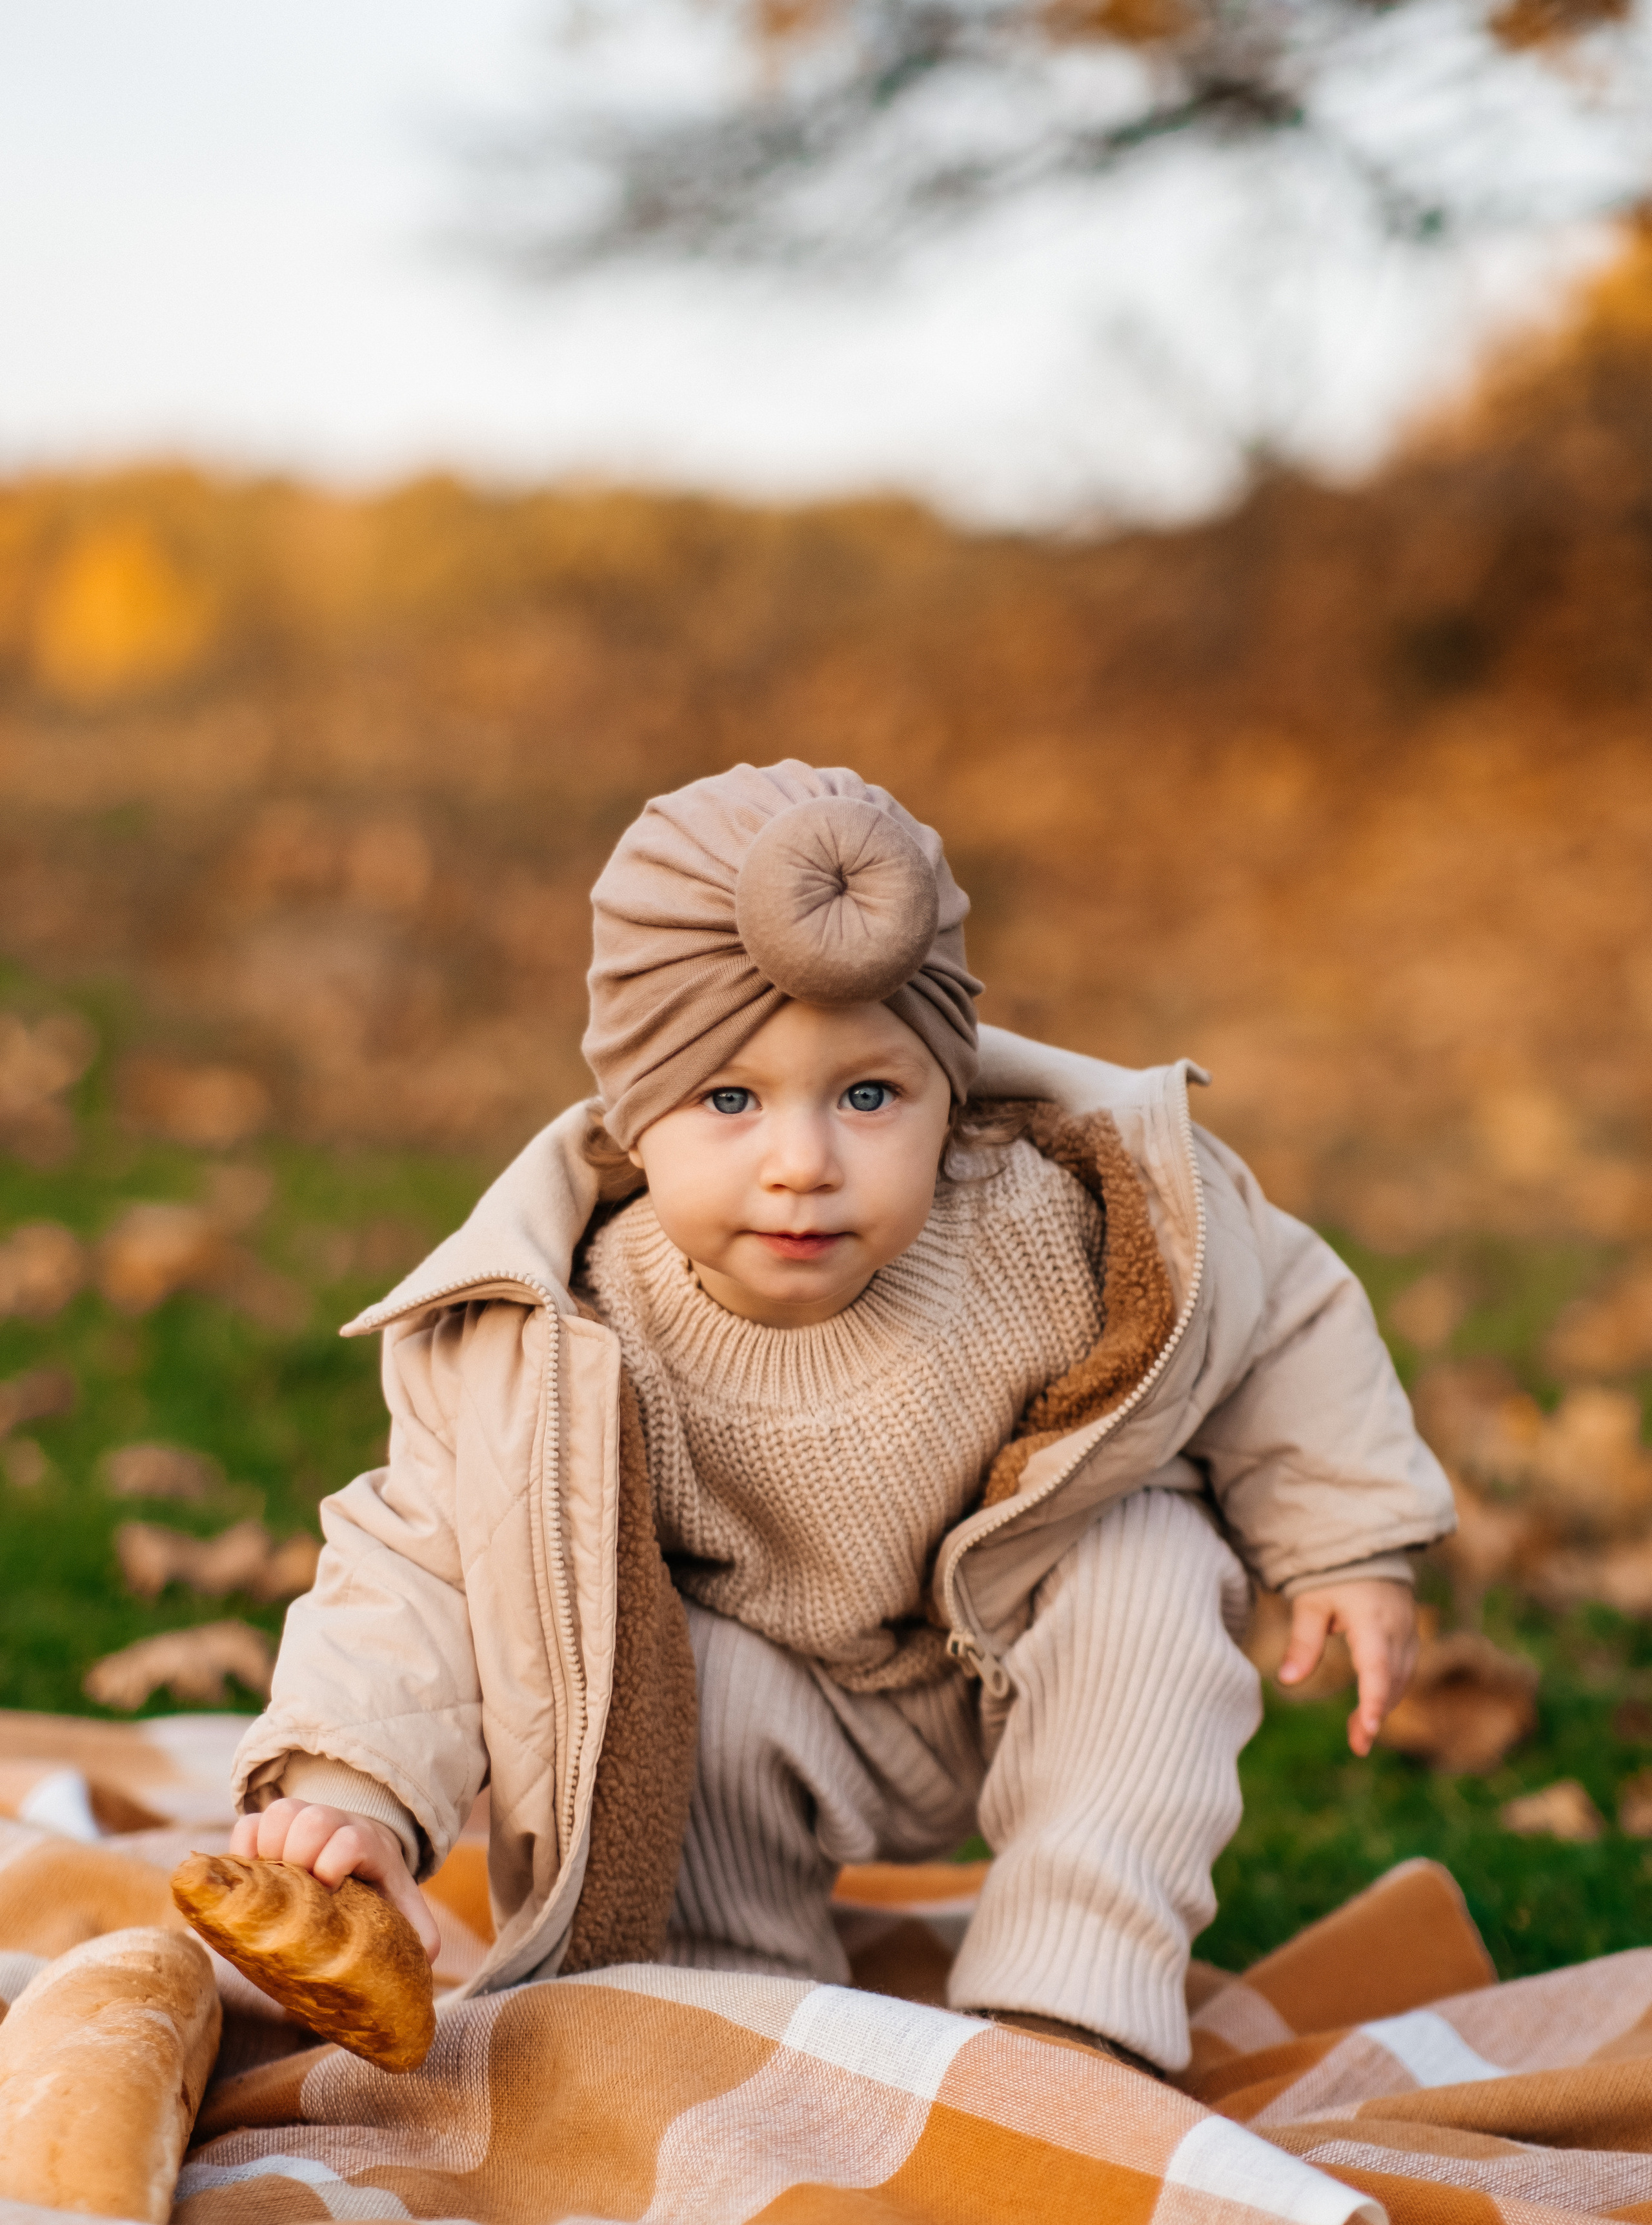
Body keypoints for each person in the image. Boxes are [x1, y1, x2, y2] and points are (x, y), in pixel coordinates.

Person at [232, 759, 1454, 2077]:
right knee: (673, 1675)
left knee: (1151, 1558)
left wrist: (1346, 1537)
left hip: (1034, 1653)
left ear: (949, 1093)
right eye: (730, 1099)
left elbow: (1270, 1298)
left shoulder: (1051, 1219)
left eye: (869, 1096)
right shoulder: (566, 1334)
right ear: (632, 1113)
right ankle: (740, 2019)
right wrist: (348, 1792)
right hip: (778, 1702)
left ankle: (1067, 2015)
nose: (803, 1164)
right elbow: (421, 1560)